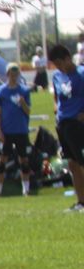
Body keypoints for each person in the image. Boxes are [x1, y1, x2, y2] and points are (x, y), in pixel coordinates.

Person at [45, 43, 84, 212]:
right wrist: (57, 110)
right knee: (72, 165)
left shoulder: (81, 74)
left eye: (60, 63)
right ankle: (81, 202)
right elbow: (56, 97)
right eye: (56, 65)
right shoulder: (57, 76)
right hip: (63, 124)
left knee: (82, 163)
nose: (59, 67)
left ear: (68, 58)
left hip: (78, 124)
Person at [0, 63, 33, 198]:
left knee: (24, 160)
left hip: (21, 129)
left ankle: (26, 190)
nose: (14, 76)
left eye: (16, 74)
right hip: (7, 130)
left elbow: (28, 111)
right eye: (12, 73)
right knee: (1, 161)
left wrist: (23, 103)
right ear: (7, 74)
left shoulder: (24, 91)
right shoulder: (1, 91)